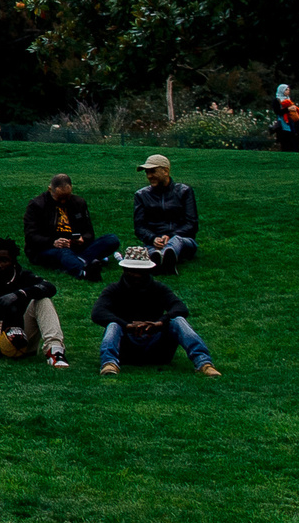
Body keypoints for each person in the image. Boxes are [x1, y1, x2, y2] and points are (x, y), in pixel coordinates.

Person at [92, 247, 218, 376]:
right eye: (132, 271)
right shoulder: (113, 290)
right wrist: (126, 326)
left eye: (140, 271)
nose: (137, 275)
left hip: (157, 347)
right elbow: (98, 312)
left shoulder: (159, 288)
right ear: (125, 270)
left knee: (179, 320)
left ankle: (204, 363)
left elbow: (180, 307)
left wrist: (160, 323)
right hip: (126, 348)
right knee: (113, 325)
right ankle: (109, 363)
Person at [0, 238, 68, 369]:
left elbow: (48, 287)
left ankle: (55, 352)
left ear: (13, 262)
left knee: (43, 301)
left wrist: (19, 294)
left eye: (3, 260)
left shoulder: (24, 276)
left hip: (22, 334)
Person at [23, 172, 122, 281]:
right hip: (48, 249)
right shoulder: (37, 205)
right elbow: (31, 236)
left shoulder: (79, 203)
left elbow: (89, 232)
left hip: (75, 247)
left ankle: (74, 261)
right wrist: (53, 242)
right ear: (50, 189)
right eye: (59, 198)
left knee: (111, 239)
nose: (63, 201)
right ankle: (84, 272)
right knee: (64, 252)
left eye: (67, 197)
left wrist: (82, 239)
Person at [131, 154, 201, 271]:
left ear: (166, 171)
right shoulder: (141, 195)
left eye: (153, 171)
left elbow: (192, 224)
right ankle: (161, 258)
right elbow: (139, 227)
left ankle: (164, 257)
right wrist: (153, 238)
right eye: (147, 172)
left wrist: (171, 236)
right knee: (152, 249)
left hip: (182, 239)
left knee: (177, 241)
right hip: (154, 241)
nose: (149, 176)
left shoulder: (184, 191)